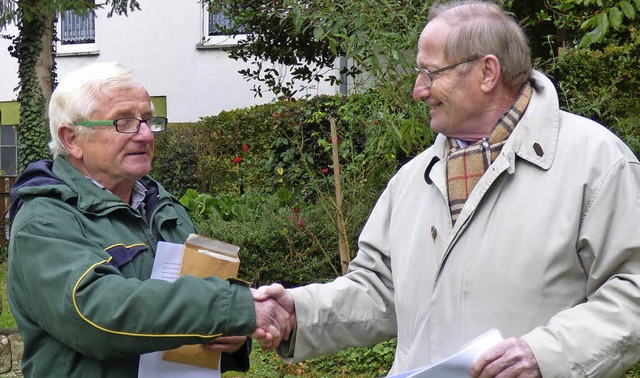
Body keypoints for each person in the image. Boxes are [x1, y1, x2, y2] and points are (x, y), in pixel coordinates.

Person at [253, 1, 640, 377]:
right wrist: (295, 314)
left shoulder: (598, 163)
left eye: (431, 73)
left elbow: (632, 295)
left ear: (487, 72)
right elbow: (377, 291)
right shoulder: (413, 179)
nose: (418, 91)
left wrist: (545, 356)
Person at [6, 61, 290, 377]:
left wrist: (232, 337)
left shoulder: (164, 208)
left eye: (148, 120)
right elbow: (97, 314)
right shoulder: (44, 220)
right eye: (124, 122)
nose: (144, 134)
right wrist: (232, 308)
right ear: (72, 139)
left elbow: (193, 307)